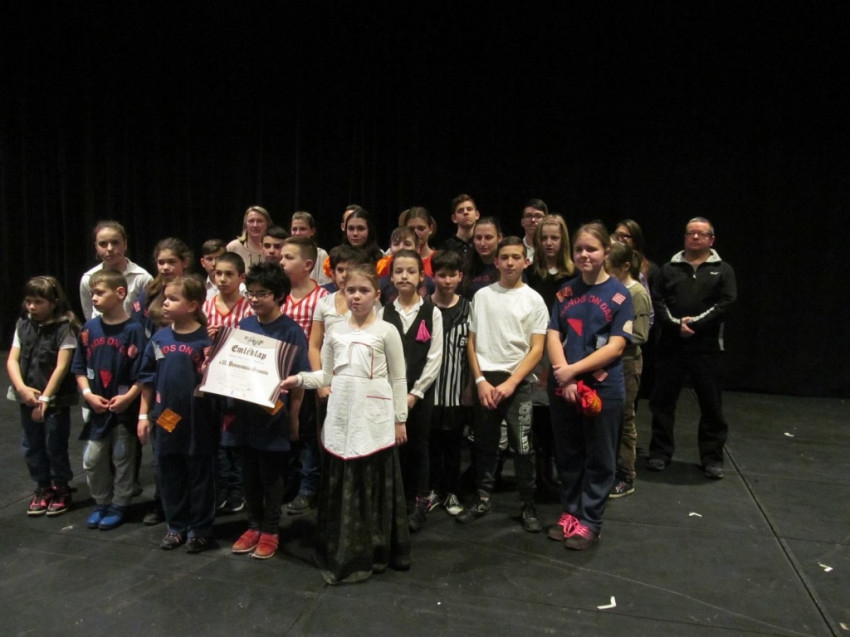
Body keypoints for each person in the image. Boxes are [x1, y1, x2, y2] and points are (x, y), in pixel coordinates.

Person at [281, 264, 410, 585]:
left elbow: (398, 378)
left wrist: (400, 419)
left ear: (377, 295)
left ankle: (376, 548)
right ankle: (342, 548)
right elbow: (326, 375)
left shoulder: (387, 331)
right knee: (342, 480)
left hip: (374, 419)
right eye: (351, 290)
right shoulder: (336, 331)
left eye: (364, 291)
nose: (356, 296)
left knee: (372, 483)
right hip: (341, 416)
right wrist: (299, 379)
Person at [546, 222, 633, 550]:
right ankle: (570, 512)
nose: (584, 255)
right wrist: (563, 374)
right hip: (564, 387)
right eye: (579, 249)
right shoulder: (565, 292)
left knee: (599, 456)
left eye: (592, 249)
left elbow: (616, 347)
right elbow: (553, 333)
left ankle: (590, 521)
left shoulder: (619, 295)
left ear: (606, 252)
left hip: (602, 389)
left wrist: (572, 371)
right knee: (568, 453)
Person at [460, 237, 548, 533]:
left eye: (516, 257)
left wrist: (512, 382)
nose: (510, 262)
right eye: (505, 257)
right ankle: (483, 498)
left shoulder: (534, 299)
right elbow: (471, 342)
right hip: (486, 380)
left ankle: (528, 503)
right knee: (484, 443)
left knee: (522, 446)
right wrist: (479, 381)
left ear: (526, 261)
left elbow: (537, 348)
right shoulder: (482, 296)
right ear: (496, 262)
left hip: (517, 383)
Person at [226, 262, 309, 560]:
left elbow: (300, 380)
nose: (255, 299)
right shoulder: (244, 325)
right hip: (244, 413)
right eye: (251, 293)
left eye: (262, 293)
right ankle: (253, 525)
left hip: (274, 415)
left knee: (272, 474)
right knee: (248, 472)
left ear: (279, 295)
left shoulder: (292, 331)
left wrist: (294, 416)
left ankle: (271, 529)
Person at [648, 217, 737, 478]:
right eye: (691, 233)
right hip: (671, 345)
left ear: (712, 240)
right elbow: (657, 300)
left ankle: (712, 458)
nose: (695, 237)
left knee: (711, 405)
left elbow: (726, 303)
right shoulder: (669, 269)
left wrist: (695, 324)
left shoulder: (723, 270)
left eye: (702, 234)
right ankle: (660, 453)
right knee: (662, 402)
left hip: (707, 348)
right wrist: (676, 326)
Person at [137, 274, 216, 553]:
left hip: (198, 419)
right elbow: (147, 379)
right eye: (165, 298)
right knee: (170, 472)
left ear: (193, 305)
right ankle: (176, 526)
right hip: (166, 417)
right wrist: (143, 416)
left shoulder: (207, 339)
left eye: (173, 299)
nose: (165, 303)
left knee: (199, 474)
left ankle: (200, 529)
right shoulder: (160, 337)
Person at [72, 270, 146, 529]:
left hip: (123, 408)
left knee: (122, 456)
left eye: (100, 293)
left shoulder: (134, 330)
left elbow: (144, 374)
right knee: (92, 459)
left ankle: (120, 503)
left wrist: (128, 397)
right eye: (92, 293)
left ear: (120, 293)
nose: (93, 298)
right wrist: (88, 394)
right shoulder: (89, 329)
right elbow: (79, 367)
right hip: (97, 408)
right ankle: (101, 501)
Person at [380, 249, 443, 532]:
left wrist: (415, 393)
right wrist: (394, 395)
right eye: (399, 271)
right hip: (389, 394)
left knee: (418, 445)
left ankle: (419, 501)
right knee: (393, 447)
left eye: (411, 271)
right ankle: (396, 501)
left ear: (421, 277)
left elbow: (435, 357)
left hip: (420, 395)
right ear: (391, 277)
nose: (404, 276)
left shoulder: (432, 312)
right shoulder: (383, 313)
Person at [7, 276, 80, 516]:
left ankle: (60, 486)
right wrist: (22, 389)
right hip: (27, 396)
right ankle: (43, 486)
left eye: (38, 302)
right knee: (31, 445)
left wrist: (45, 398)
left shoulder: (64, 328)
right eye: (29, 301)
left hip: (54, 399)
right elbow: (13, 360)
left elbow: (62, 366)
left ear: (53, 302)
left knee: (54, 443)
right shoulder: (22, 325)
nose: (32, 307)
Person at [525, 214, 577, 495]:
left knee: (562, 415)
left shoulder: (573, 274)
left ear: (563, 240)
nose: (548, 243)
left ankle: (561, 471)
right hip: (535, 349)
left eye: (554, 238)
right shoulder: (531, 273)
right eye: (543, 238)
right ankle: (541, 473)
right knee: (538, 415)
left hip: (565, 349)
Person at [280, 237, 329, 515]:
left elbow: (322, 342)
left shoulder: (322, 298)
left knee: (308, 433)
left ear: (308, 264)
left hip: (308, 376)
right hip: (281, 376)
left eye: (289, 257)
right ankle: (290, 481)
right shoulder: (279, 296)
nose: (282, 262)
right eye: (282, 257)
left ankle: (309, 487)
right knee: (286, 432)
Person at [201, 252, 253, 514]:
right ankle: (222, 486)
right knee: (216, 437)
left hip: (239, 380)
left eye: (229, 274)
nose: (222, 279)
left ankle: (238, 487)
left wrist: (227, 337)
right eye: (218, 273)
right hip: (211, 378)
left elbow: (253, 343)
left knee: (236, 436)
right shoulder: (206, 306)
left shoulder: (249, 308)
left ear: (241, 277)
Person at [426, 250, 471, 517]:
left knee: (454, 445)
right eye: (441, 275)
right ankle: (433, 489)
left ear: (460, 276)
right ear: (433, 276)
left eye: (452, 275)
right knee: (431, 444)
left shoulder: (469, 309)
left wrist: (470, 386)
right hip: (428, 392)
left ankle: (452, 491)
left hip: (456, 392)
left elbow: (474, 352)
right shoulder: (423, 308)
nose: (447, 281)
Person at [605, 242, 650, 498]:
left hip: (626, 361)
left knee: (624, 418)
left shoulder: (637, 293)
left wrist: (610, 339)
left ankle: (625, 475)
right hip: (607, 360)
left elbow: (641, 334)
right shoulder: (610, 289)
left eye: (611, 268)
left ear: (624, 266)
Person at [80, 220, 153, 320]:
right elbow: (89, 314)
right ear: (96, 247)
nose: (110, 248)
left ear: (125, 244)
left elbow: (150, 314)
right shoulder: (88, 278)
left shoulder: (142, 278)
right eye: (103, 244)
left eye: (115, 242)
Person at [133, 237, 193, 339]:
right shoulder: (149, 293)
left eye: (171, 262)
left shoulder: (193, 291)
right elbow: (136, 324)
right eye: (161, 263)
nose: (165, 267)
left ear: (185, 263)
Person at [461, 217, 503, 299]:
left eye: (488, 237)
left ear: (499, 238)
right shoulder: (466, 268)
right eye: (478, 238)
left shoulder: (508, 267)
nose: (482, 243)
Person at [290, 211, 331, 285]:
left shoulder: (321, 254)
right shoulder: (286, 254)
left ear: (312, 231)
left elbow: (325, 285)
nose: (297, 233)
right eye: (294, 229)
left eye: (302, 229)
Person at [441, 194, 480, 269]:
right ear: (454, 218)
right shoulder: (446, 247)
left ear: (477, 215)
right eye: (460, 211)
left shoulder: (482, 243)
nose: (465, 212)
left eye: (469, 209)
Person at [401, 206, 438, 276]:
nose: (416, 233)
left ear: (431, 229)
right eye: (411, 229)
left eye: (421, 228)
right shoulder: (396, 259)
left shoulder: (439, 259)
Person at [520, 199, 548, 264]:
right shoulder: (515, 248)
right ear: (522, 222)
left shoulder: (550, 249)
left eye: (538, 216)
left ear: (546, 220)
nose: (533, 220)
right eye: (528, 216)